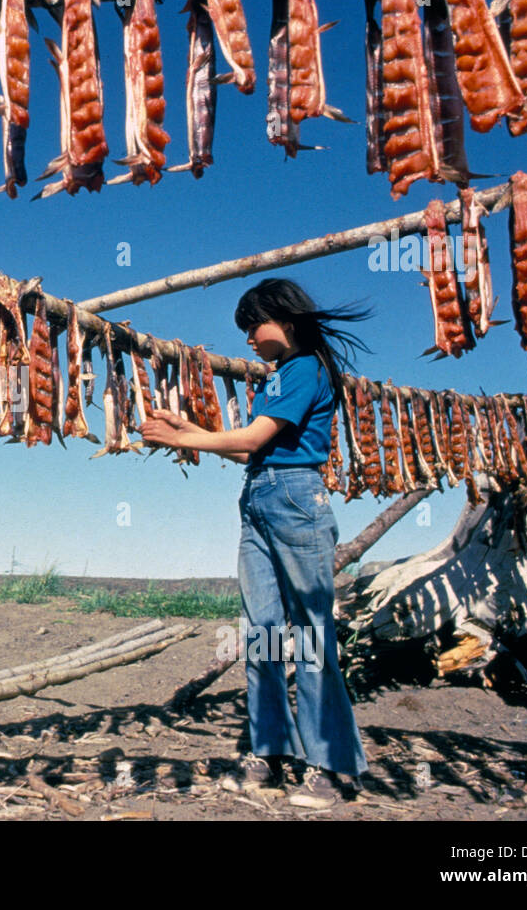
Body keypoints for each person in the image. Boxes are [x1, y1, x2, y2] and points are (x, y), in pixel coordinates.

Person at [139, 278, 372, 803]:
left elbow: (251, 439)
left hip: (296, 499)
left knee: (311, 632)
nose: (247, 337)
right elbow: (248, 453)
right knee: (262, 631)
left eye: (253, 325)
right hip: (260, 498)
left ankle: (330, 765)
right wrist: (189, 427)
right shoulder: (277, 377)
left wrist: (182, 438)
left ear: (286, 321)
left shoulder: (307, 368)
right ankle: (269, 751)